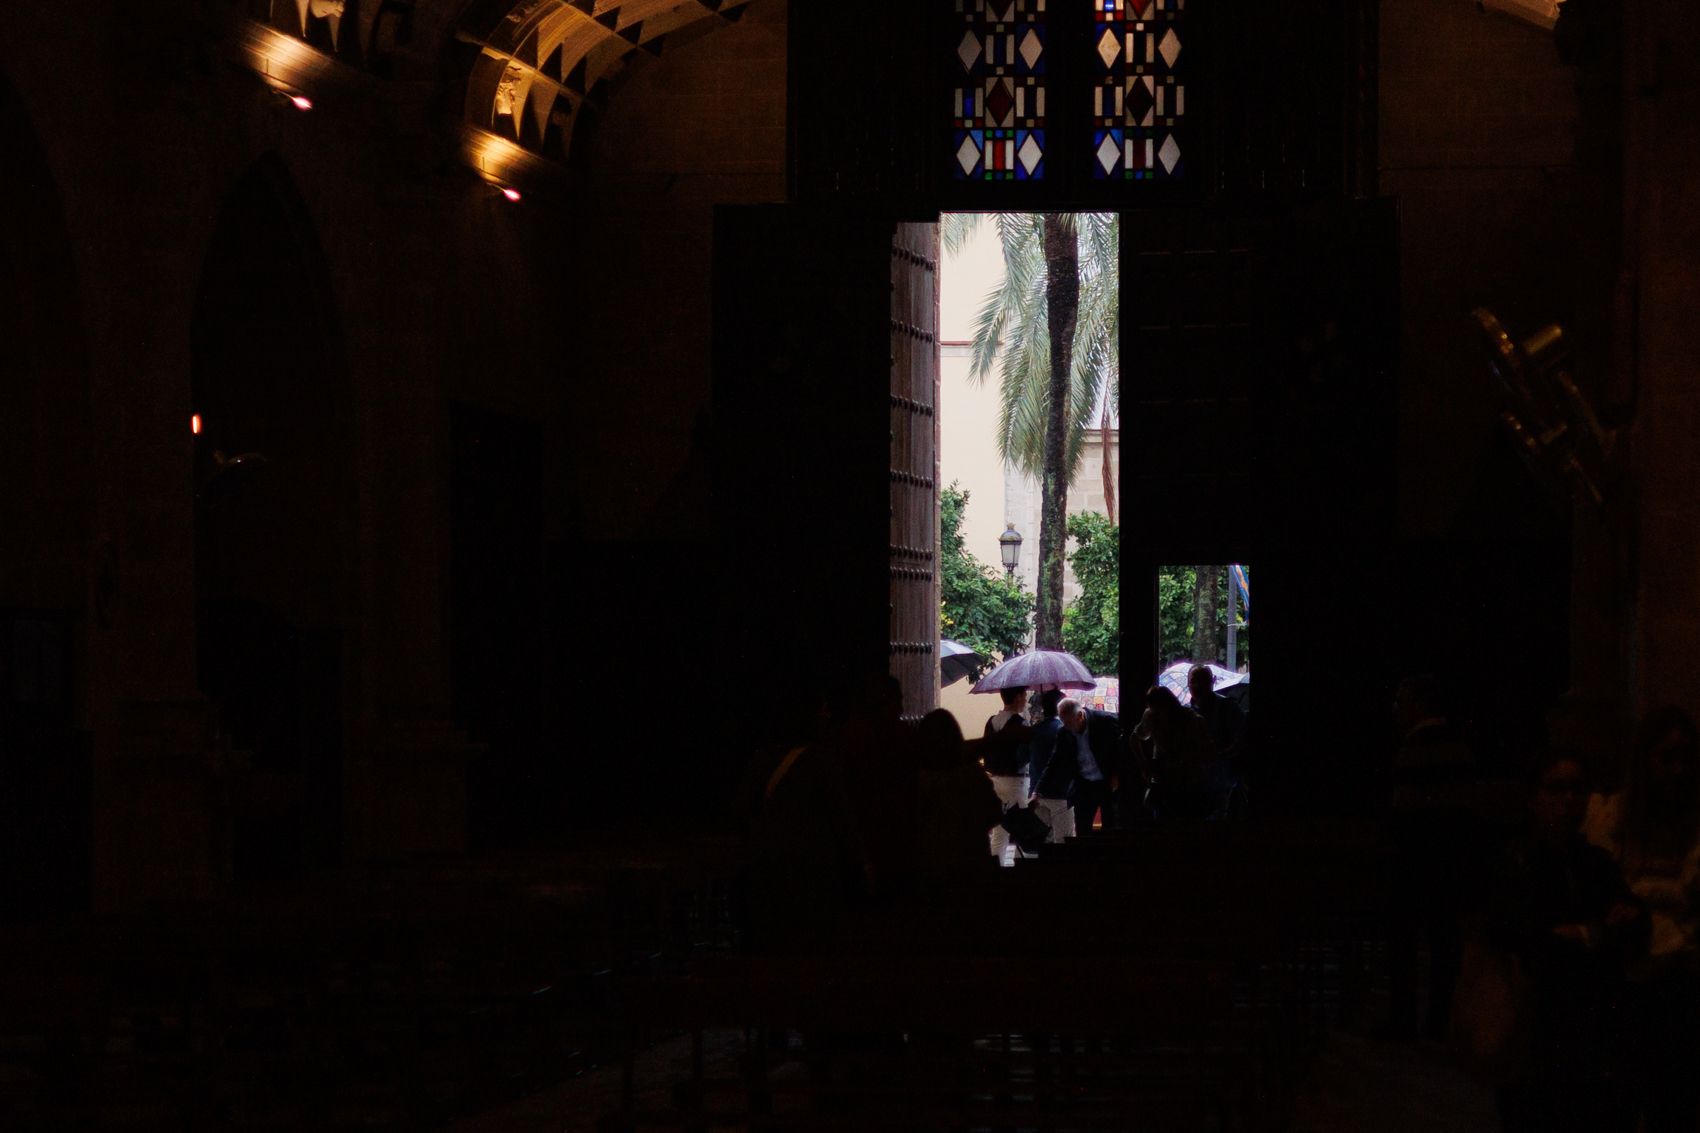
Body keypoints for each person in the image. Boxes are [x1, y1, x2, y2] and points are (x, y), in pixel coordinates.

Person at [1480, 750, 1646, 1133]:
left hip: (1593, 1032)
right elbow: (1525, 938)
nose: (1569, 799)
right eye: (1556, 788)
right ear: (1533, 796)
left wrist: (1584, 934)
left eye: (1577, 789)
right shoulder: (1516, 864)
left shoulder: (1595, 863)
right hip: (1536, 1032)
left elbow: (1635, 925)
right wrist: (1595, 936)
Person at [1583, 706, 1700, 1133]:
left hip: (1680, 986)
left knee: (1674, 1106)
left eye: (1685, 758)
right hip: (1624, 984)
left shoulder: (1692, 827)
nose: (1678, 770)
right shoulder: (1615, 820)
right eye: (1666, 757)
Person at [915, 709, 1004, 883]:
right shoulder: (972, 774)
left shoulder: (917, 779)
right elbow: (994, 814)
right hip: (973, 862)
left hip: (931, 866)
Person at [1132, 686, 1219, 820]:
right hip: (1167, 779)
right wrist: (1144, 764)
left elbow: (1207, 753)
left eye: (1158, 710)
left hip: (1187, 781)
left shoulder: (1193, 721)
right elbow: (1134, 738)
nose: (1158, 714)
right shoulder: (1152, 716)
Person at [1054, 698, 1119, 834]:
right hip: (1084, 784)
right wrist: (1038, 790)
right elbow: (1055, 759)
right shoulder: (1064, 731)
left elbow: (1120, 749)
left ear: (1080, 716)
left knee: (1111, 826)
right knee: (1082, 829)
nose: (1066, 726)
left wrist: (1116, 774)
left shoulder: (1105, 721)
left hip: (1108, 782)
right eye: (1063, 722)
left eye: (1069, 723)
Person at [983, 687, 1033, 861]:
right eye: (1024, 695)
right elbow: (1025, 755)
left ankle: (996, 867)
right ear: (1018, 697)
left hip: (996, 780)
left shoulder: (992, 721)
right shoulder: (1020, 723)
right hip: (1016, 781)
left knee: (999, 832)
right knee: (1025, 831)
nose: (1026, 699)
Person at [1026, 689, 1073, 842]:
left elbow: (1025, 758)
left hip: (1036, 793)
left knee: (1042, 840)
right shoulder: (1065, 730)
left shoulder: (1033, 731)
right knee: (1064, 840)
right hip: (1061, 792)